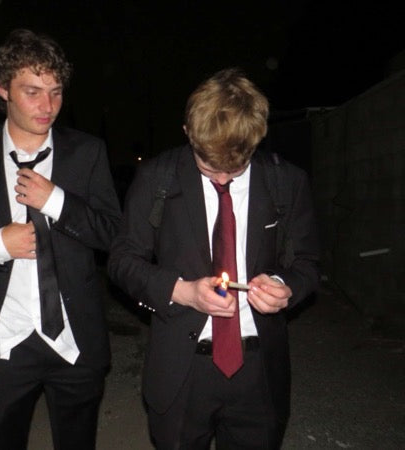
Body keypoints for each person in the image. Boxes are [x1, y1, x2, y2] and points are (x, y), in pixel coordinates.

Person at [107, 68, 320, 449]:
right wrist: (182, 291)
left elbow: (307, 262)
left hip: (258, 372)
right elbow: (122, 260)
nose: (222, 179)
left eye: (234, 168)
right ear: (188, 132)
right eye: (209, 166)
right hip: (182, 369)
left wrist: (284, 286)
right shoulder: (157, 177)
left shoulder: (286, 181)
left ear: (257, 139)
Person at [0, 29, 121, 449]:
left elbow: (113, 233)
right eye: (33, 92)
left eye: (56, 92)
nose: (48, 106)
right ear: (3, 90)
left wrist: (56, 201)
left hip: (74, 339)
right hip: (3, 342)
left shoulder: (87, 152)